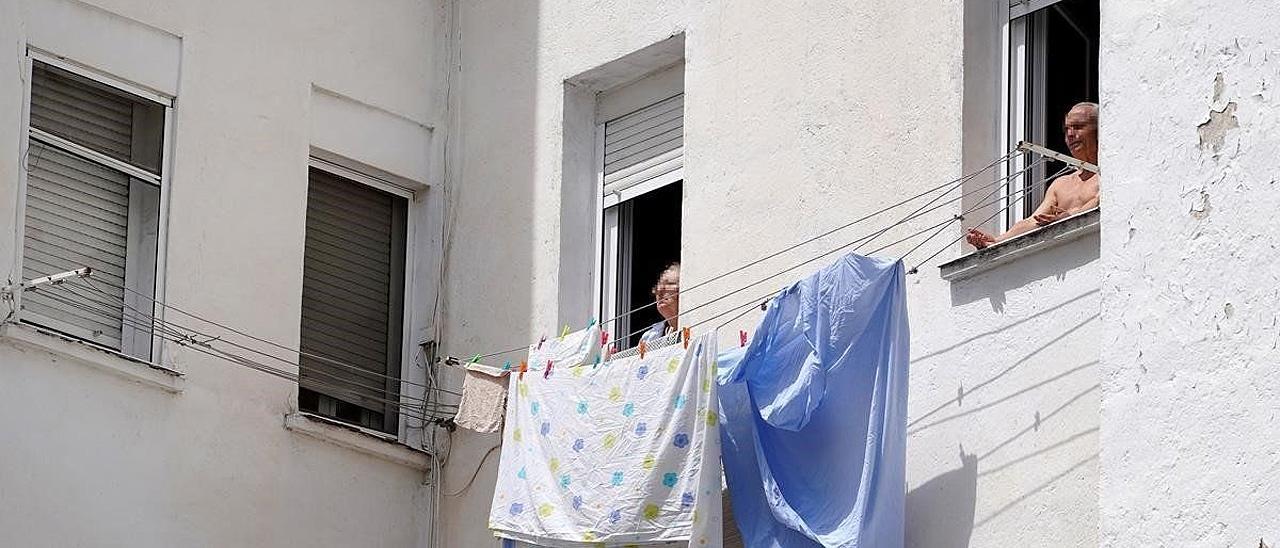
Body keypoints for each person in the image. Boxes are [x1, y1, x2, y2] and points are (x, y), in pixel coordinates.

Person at [967, 102, 1101, 250]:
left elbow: (1097, 203)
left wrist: (1068, 216)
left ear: (1099, 130)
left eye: (1078, 127)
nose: (1070, 134)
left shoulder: (1109, 176)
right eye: (1066, 129)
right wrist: (996, 241)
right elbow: (1033, 221)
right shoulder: (1061, 184)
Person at [639, 262, 680, 343]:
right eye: (658, 286)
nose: (659, 291)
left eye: (669, 284)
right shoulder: (647, 338)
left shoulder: (696, 328)